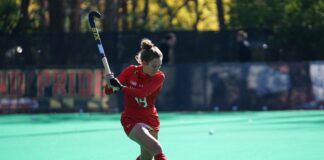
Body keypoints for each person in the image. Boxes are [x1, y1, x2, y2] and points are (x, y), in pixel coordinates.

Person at [104, 38, 168, 160]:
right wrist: (110, 82)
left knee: (146, 158)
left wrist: (121, 88)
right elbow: (108, 91)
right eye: (154, 66)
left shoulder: (159, 77)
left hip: (150, 119)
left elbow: (142, 93)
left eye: (159, 65)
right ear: (143, 62)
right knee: (156, 147)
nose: (157, 69)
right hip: (131, 119)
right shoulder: (131, 71)